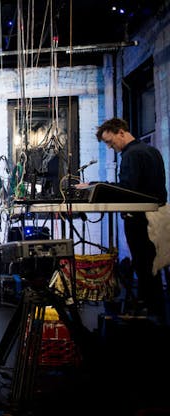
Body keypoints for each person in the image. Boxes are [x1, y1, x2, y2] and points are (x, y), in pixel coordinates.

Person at [94, 118, 167, 320]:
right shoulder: (151, 151)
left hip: (139, 220)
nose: (111, 147)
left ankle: (148, 314)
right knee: (151, 266)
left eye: (110, 142)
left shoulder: (131, 154)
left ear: (121, 132)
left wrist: (97, 187)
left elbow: (128, 189)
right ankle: (156, 311)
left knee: (144, 265)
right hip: (157, 217)